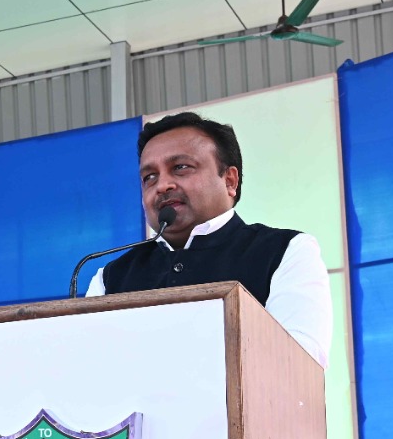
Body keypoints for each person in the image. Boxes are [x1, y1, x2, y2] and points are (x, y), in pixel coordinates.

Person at [86, 111, 332, 367]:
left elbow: (300, 364)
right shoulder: (110, 278)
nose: (162, 185)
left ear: (230, 180)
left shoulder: (285, 252)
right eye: (150, 177)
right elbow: (89, 366)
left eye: (180, 167)